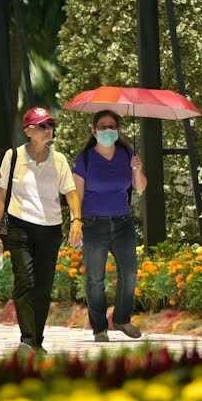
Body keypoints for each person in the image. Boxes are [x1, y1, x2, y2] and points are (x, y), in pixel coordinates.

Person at [0, 108, 83, 355]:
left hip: (50, 230)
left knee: (43, 287)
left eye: (50, 125)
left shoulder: (59, 160)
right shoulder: (13, 157)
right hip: (19, 228)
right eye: (42, 126)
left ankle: (36, 341)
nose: (48, 130)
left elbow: (71, 192)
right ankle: (27, 339)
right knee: (26, 280)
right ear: (28, 130)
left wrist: (76, 220)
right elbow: (0, 196)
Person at [72, 110, 146, 341]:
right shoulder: (84, 159)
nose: (107, 130)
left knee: (130, 273)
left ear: (118, 129)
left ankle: (122, 319)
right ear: (93, 131)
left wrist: (137, 168)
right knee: (95, 278)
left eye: (111, 126)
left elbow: (141, 188)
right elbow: (76, 195)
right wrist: (76, 223)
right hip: (94, 223)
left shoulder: (127, 154)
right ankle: (100, 328)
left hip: (122, 222)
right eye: (102, 127)